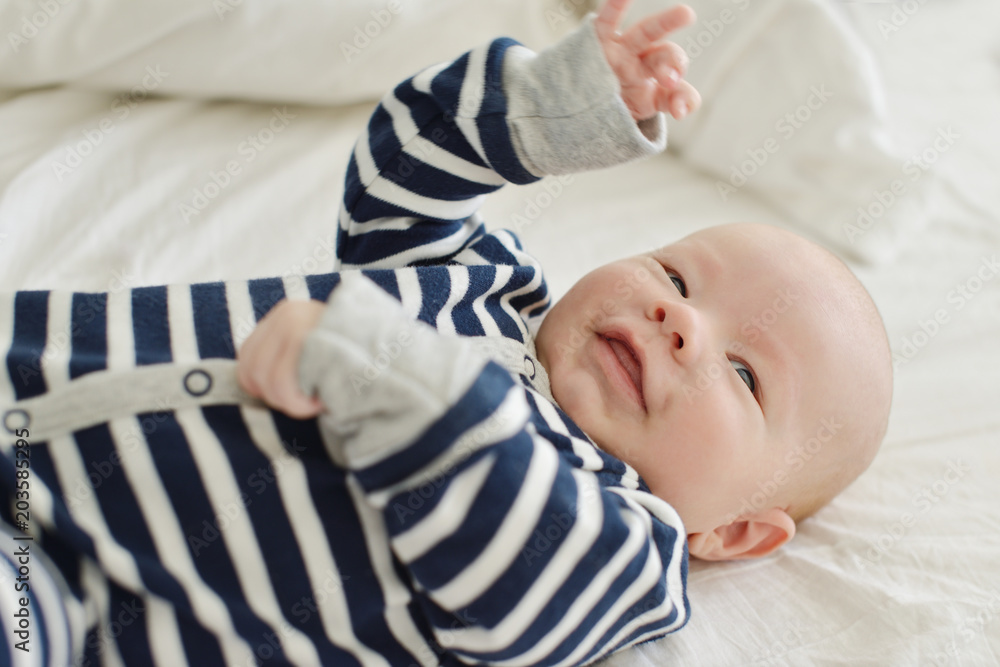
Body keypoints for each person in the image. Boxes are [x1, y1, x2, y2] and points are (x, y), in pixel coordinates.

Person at [0, 0, 892, 665]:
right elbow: (396, 175)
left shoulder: (623, 544)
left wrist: (386, 375)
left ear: (735, 533)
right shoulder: (487, 289)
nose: (681, 321)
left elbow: (512, 567)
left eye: (744, 374)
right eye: (675, 274)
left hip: (70, 592)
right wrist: (556, 103)